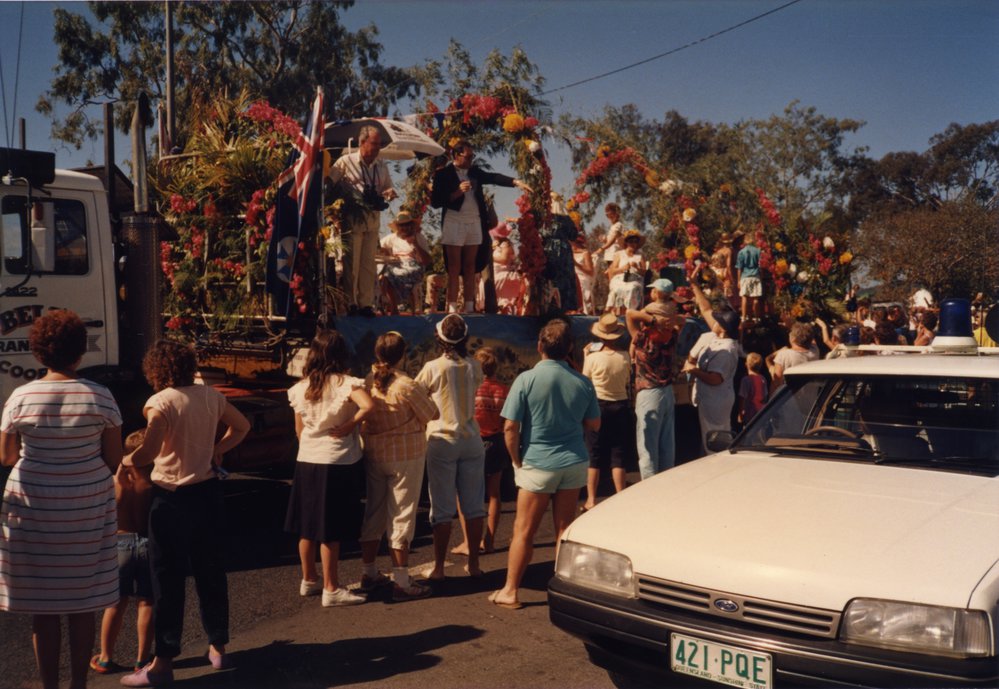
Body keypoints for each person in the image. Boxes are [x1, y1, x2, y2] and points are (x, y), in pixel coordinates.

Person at [1, 310, 123, 689]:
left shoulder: (21, 396)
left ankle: (50, 685)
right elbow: (113, 458)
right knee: (83, 599)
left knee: (44, 604)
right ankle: (78, 685)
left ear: (39, 352)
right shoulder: (100, 396)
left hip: (32, 499)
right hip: (86, 502)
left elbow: (6, 456)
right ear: (79, 351)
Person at [120, 340, 249, 687]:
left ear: (156, 370)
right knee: (210, 569)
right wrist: (217, 450)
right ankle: (218, 645)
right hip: (207, 493)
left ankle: (163, 661)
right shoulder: (211, 396)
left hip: (171, 498)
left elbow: (148, 452)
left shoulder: (160, 402)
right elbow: (242, 427)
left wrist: (126, 459)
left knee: (167, 578)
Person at [489, 319, 600, 609]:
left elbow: (510, 428)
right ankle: (565, 590)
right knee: (565, 530)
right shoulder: (582, 382)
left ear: (539, 346)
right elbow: (594, 423)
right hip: (574, 460)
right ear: (569, 349)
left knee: (524, 529)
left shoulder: (526, 379)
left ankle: (511, 590)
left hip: (538, 462)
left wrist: (516, 460)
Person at [284, 331, 373, 608]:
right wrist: (349, 425)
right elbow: (369, 406)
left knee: (307, 525)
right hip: (337, 460)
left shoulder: (301, 387)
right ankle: (331, 588)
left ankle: (309, 579)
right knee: (330, 527)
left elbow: (299, 430)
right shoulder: (346, 383)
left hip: (307, 458)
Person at [358, 332, 439, 602]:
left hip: (375, 453)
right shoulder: (407, 385)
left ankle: (369, 571)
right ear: (403, 354)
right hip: (406, 455)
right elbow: (432, 414)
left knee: (374, 513)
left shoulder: (369, 381)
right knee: (402, 515)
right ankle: (402, 580)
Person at [416, 315, 487, 580]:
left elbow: (417, 394)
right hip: (471, 438)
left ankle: (438, 568)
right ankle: (475, 564)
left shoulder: (433, 367)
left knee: (442, 506)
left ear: (440, 338)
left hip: (441, 440)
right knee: (473, 505)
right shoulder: (474, 366)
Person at [430, 139, 530, 314]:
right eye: (467, 157)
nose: (470, 160)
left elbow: (493, 177)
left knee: (470, 266)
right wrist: (457, 192)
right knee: (454, 268)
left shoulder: (474, 171)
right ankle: (452, 309)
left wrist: (515, 181)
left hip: (474, 221)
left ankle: (469, 308)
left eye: (472, 157)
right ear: (456, 155)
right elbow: (436, 202)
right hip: (454, 221)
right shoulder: (442, 174)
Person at [91, 430, 155, 676]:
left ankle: (106, 657)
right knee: (147, 601)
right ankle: (142, 660)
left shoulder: (116, 482)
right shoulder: (152, 482)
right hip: (148, 542)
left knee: (115, 603)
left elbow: (111, 508)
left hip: (120, 543)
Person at [327, 125, 398, 316]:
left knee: (368, 263)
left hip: (373, 219)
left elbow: (388, 188)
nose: (377, 149)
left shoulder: (381, 165)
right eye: (374, 144)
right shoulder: (345, 161)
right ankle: (351, 302)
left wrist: (389, 194)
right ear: (362, 143)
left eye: (379, 145)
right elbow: (328, 187)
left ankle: (366, 304)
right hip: (352, 219)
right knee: (351, 264)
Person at [452, 347, 511, 555]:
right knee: (494, 494)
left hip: (474, 441)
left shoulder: (471, 389)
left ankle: (469, 541)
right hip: (497, 441)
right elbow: (507, 421)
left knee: (465, 494)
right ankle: (490, 540)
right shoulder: (504, 390)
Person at [626, 281, 680, 479]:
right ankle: (666, 482)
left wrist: (653, 321)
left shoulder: (644, 339)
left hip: (649, 393)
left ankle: (649, 487)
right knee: (667, 445)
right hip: (667, 392)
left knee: (647, 447)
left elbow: (629, 314)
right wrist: (667, 319)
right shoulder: (672, 336)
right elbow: (681, 321)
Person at [683, 275, 741, 455]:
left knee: (714, 439)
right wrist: (694, 285)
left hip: (716, 400)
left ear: (722, 328)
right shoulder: (718, 336)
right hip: (710, 398)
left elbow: (716, 379)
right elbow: (705, 308)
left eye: (717, 320)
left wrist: (694, 371)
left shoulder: (728, 349)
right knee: (707, 436)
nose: (713, 320)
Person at [582, 313, 633, 508]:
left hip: (599, 405)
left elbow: (586, 381)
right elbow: (628, 381)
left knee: (593, 453)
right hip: (620, 405)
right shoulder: (625, 356)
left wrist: (586, 356)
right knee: (618, 453)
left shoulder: (593, 358)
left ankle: (591, 499)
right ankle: (620, 496)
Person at [377, 210, 432, 315]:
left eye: (407, 225)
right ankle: (391, 306)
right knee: (383, 275)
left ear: (412, 225)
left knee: (389, 274)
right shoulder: (393, 237)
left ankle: (391, 305)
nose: (405, 228)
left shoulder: (419, 237)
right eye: (402, 225)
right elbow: (378, 246)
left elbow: (427, 261)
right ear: (397, 227)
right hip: (396, 266)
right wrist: (386, 251)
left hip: (414, 267)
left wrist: (415, 244)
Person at [541, 194, 579, 312]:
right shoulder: (566, 219)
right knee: (565, 278)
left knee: (551, 277)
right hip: (564, 250)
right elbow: (573, 236)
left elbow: (542, 233)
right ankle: (564, 305)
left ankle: (550, 304)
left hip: (549, 249)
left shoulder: (545, 218)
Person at [768, 322, 819, 395]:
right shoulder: (815, 351)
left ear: (793, 339)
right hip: (811, 401)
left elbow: (776, 384)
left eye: (790, 333)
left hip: (790, 401)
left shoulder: (784, 355)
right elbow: (811, 338)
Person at [605, 229, 647, 315]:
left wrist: (637, 268)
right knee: (617, 289)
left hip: (635, 279)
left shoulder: (640, 256)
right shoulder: (619, 254)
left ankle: (629, 313)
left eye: (635, 241)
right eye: (631, 241)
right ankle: (615, 313)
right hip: (620, 279)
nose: (633, 244)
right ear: (626, 242)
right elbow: (612, 271)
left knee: (632, 288)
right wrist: (622, 268)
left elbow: (644, 273)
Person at [490, 223, 525, 314]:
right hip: (496, 272)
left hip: (502, 273)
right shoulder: (497, 244)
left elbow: (504, 259)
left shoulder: (505, 244)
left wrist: (488, 256)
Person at [735, 233, 762, 322]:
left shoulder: (741, 252)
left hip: (745, 276)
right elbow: (760, 265)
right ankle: (757, 317)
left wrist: (738, 280)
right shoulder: (758, 251)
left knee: (744, 297)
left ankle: (743, 317)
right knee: (756, 298)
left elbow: (739, 268)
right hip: (755, 275)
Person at [738, 352, 769, 426]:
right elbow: (765, 396)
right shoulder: (763, 379)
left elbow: (742, 397)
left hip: (749, 412)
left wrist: (740, 413)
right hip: (760, 412)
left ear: (746, 364)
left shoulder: (745, 380)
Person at [572, 231, 596, 315]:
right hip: (570, 276)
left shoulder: (585, 253)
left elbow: (590, 272)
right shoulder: (568, 253)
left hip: (582, 277)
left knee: (577, 284)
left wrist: (576, 264)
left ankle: (581, 311)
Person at [595, 202, 625, 268]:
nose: (610, 217)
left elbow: (613, 240)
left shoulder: (618, 225)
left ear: (617, 214)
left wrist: (601, 249)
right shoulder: (613, 226)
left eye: (612, 214)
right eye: (608, 215)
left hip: (615, 254)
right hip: (609, 254)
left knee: (614, 273)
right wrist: (605, 239)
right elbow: (610, 240)